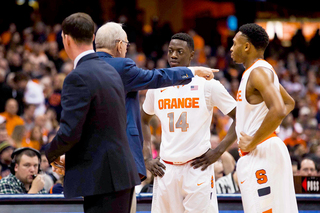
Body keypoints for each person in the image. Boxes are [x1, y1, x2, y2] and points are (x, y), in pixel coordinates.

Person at [95, 22, 217, 212]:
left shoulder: (82, 67)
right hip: (137, 161)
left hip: (95, 160)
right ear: (120, 45)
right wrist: (193, 71)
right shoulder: (124, 67)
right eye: (126, 44)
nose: (173, 55)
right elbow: (154, 78)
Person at [44, 13, 140, 213]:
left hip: (103, 180)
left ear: (66, 38)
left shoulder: (77, 77)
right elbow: (102, 127)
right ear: (93, 37)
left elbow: (70, 132)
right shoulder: (110, 70)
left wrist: (50, 153)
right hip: (120, 174)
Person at [141, 33, 237, 213]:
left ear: (192, 55)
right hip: (165, 169)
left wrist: (218, 151)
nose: (173, 55)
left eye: (179, 51)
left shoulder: (207, 85)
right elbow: (144, 119)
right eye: (170, 51)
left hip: (197, 167)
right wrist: (147, 157)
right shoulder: (158, 86)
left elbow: (241, 117)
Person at [230, 23, 298, 212]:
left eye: (234, 43)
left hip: (261, 151)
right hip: (263, 149)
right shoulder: (258, 71)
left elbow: (278, 109)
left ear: (246, 46)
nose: (231, 48)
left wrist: (253, 141)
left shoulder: (259, 72)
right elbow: (288, 103)